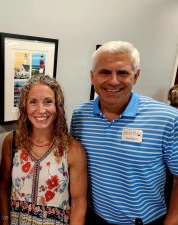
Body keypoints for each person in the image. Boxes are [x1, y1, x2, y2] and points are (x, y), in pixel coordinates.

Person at [70, 41, 178, 225]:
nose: (113, 81)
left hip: (143, 222)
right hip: (92, 218)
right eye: (105, 72)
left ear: (136, 76)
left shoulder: (168, 119)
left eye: (123, 73)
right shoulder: (80, 115)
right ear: (92, 76)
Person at [0, 75, 87, 225]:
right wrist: (5, 221)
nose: (41, 110)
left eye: (48, 102)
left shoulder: (72, 148)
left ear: (57, 106)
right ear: (24, 107)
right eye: (33, 102)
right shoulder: (12, 142)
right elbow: (3, 186)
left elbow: (79, 203)